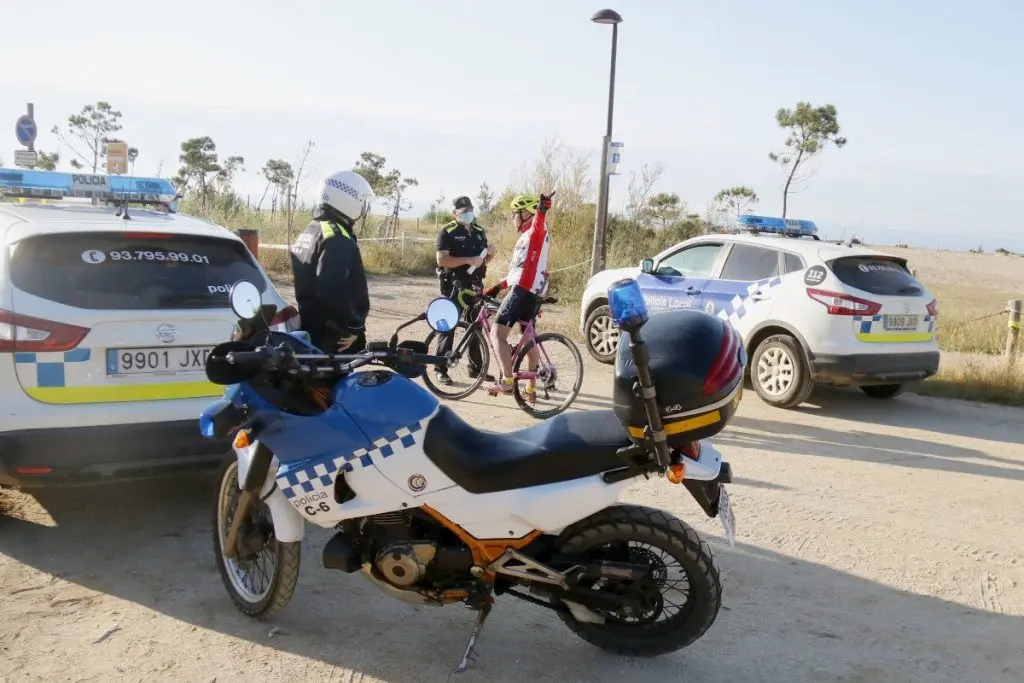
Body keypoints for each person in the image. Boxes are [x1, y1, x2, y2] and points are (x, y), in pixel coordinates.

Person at [290, 169, 374, 354]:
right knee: (338, 374)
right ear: (350, 199)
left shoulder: (312, 229)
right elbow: (331, 289)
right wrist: (353, 327)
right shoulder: (337, 237)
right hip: (333, 335)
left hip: (311, 326)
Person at [482, 192, 553, 397]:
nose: (513, 218)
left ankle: (506, 381)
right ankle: (531, 387)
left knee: (497, 333)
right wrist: (498, 287)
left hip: (523, 289)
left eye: (515, 213)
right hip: (531, 289)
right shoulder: (525, 238)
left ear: (526, 214)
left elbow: (539, 225)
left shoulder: (535, 231)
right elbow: (520, 270)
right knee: (527, 337)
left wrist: (541, 211)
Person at [433, 195, 496, 385]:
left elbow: (483, 260)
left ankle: (475, 368)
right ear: (455, 213)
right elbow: (442, 259)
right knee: (448, 325)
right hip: (455, 285)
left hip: (476, 285)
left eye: (470, 210)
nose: (468, 214)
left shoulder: (479, 231)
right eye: (463, 212)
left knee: (475, 326)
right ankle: (441, 368)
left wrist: (490, 254)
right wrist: (467, 260)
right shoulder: (448, 231)